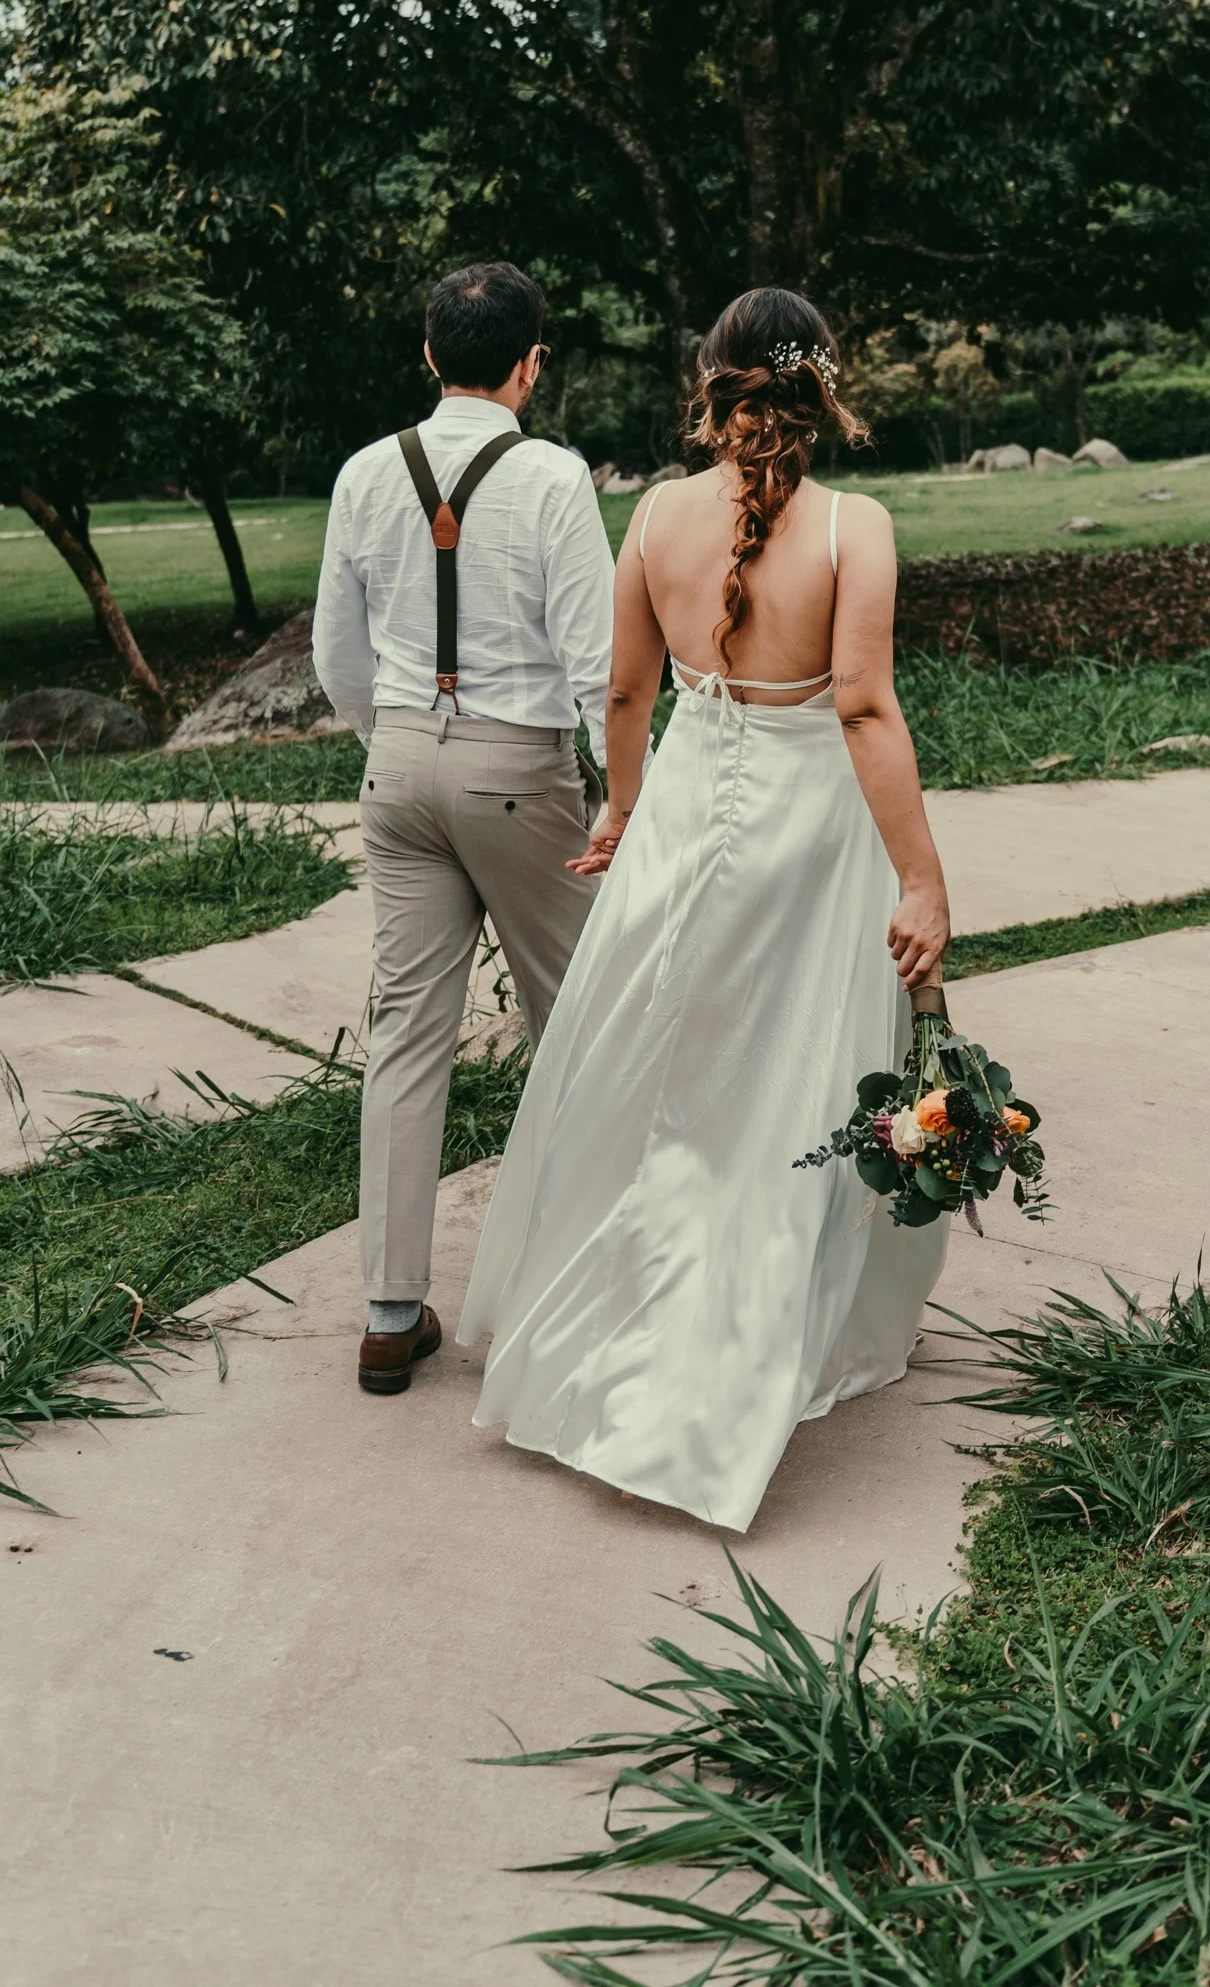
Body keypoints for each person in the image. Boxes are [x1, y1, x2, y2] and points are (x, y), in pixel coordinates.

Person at [458, 285, 953, 1532]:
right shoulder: (856, 525)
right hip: (808, 827)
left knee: (657, 1072)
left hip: (684, 809)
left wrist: (622, 810)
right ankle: (733, 1351)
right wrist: (923, 876)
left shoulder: (656, 515)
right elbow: (861, 708)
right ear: (822, 380)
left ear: (713, 379)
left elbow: (626, 694)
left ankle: (602, 1324)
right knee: (788, 1074)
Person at [313, 262, 615, 1398]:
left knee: (404, 1034)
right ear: (533, 364)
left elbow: (334, 653)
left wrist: (387, 736)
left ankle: (391, 1310)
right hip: (517, 770)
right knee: (578, 1018)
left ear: (429, 355)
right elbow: (595, 657)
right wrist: (625, 791)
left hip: (396, 765)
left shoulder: (360, 472)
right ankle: (588, 1275)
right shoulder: (550, 474)